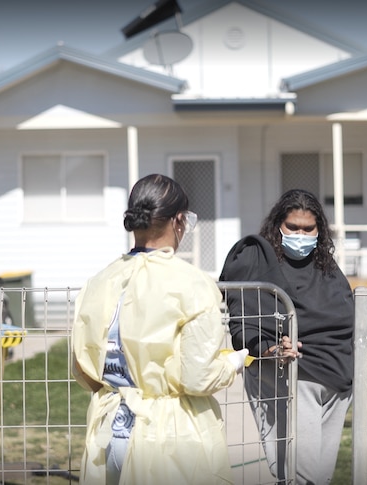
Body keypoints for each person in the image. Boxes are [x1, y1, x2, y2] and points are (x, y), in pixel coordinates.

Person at [71, 173, 249, 485]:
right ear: (179, 221)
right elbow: (198, 377)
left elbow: (83, 370)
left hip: (107, 430)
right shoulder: (192, 284)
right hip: (170, 437)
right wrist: (231, 363)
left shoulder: (99, 282)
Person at [219, 188, 355, 485]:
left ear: (320, 230)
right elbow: (244, 319)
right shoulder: (259, 260)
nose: (301, 235)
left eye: (309, 229)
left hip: (338, 380)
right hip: (292, 375)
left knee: (319, 476)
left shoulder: (327, 268)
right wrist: (269, 349)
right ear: (277, 225)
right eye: (292, 227)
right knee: (299, 475)